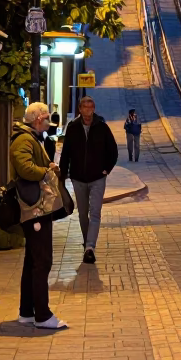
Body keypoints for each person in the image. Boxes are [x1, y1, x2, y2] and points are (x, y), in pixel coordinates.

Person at [10, 101, 67, 329]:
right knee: (42, 261)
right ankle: (43, 315)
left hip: (35, 206)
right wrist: (47, 170)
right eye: (45, 120)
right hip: (34, 208)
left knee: (33, 260)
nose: (47, 124)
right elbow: (24, 168)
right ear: (37, 119)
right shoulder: (24, 139)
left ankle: (27, 312)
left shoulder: (30, 138)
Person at [59, 96, 118, 265]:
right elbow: (66, 153)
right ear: (80, 109)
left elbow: (113, 151)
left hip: (97, 178)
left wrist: (106, 169)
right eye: (85, 108)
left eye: (91, 107)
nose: (88, 111)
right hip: (78, 178)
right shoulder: (73, 128)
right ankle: (87, 244)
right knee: (82, 214)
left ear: (94, 109)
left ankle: (90, 247)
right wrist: (63, 175)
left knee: (95, 213)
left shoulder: (102, 127)